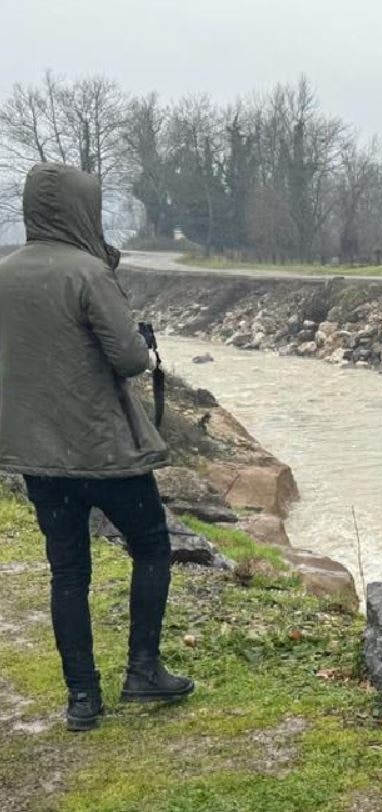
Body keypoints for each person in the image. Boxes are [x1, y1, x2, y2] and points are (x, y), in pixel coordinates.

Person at [0, 163, 194, 732]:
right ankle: (143, 670)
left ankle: (82, 699)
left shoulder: (3, 273)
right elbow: (130, 359)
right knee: (153, 547)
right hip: (106, 452)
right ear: (84, 209)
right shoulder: (88, 273)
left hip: (37, 455)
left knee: (67, 572)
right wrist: (141, 338)